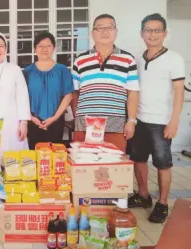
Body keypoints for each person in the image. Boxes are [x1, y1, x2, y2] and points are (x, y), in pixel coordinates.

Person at [128, 14, 185, 223]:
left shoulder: (174, 59)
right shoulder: (136, 57)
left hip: (161, 121)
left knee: (163, 163)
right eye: (148, 30)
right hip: (139, 118)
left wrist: (174, 121)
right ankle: (143, 195)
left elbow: (179, 91)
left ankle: (162, 203)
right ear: (142, 33)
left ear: (165, 33)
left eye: (157, 30)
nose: (152, 34)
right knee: (138, 159)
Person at [71, 14, 139, 152]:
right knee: (85, 164)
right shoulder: (80, 60)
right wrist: (78, 120)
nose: (105, 32)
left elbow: (133, 92)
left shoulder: (128, 59)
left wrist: (131, 121)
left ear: (116, 31)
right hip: (85, 123)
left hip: (115, 123)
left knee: (114, 165)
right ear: (92, 33)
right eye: (100, 28)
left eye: (109, 27)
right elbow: (75, 93)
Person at [23, 32, 73, 150]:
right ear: (35, 49)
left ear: (54, 48)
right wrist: (31, 117)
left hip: (56, 120)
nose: (44, 49)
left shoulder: (62, 70)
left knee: (55, 157)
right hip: (33, 121)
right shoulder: (27, 71)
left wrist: (55, 117)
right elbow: (21, 97)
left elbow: (68, 95)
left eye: (48, 46)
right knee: (34, 157)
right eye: (40, 46)